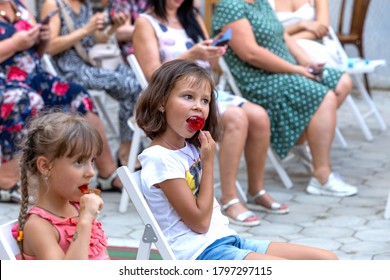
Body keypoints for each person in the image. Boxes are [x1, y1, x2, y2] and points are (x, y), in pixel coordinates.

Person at [136, 59, 338, 260]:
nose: (198, 107)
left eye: (205, 100)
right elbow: (199, 223)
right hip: (202, 253)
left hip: (228, 240)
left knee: (327, 260)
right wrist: (207, 163)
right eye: (188, 97)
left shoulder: (189, 147)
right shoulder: (160, 158)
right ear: (161, 102)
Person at [133, 0, 289, 227]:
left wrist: (213, 53)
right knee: (237, 117)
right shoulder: (146, 23)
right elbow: (153, 74)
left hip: (205, 93)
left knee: (259, 115)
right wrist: (191, 54)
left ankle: (256, 189)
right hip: (174, 97)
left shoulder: (192, 17)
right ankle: (230, 198)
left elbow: (212, 66)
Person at [211, 0, 358, 197]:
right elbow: (251, 53)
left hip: (285, 70)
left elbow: (284, 35)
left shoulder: (260, 3)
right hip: (260, 79)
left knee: (342, 82)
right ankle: (321, 176)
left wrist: (307, 63)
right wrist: (297, 70)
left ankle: (299, 138)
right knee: (325, 97)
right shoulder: (230, 6)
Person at [0, 0, 121, 203]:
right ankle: (7, 178)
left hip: (32, 76)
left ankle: (107, 172)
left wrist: (42, 41)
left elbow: (34, 54)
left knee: (77, 95)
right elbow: (17, 47)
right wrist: (15, 43)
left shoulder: (18, 5)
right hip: (5, 80)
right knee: (26, 99)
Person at [40, 0, 142, 167]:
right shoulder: (53, 4)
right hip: (68, 71)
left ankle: (129, 147)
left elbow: (95, 41)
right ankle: (126, 150)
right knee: (130, 85)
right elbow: (49, 46)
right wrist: (86, 29)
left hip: (90, 65)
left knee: (135, 80)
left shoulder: (84, 6)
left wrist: (114, 27)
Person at [12, 111, 109, 260]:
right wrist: (85, 221)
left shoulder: (78, 208)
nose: (91, 172)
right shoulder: (38, 226)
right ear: (45, 166)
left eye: (92, 161)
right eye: (79, 162)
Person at [270, 0, 342, 67]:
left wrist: (287, 41)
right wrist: (300, 25)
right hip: (282, 49)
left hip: (316, 44)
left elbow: (323, 28)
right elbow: (270, 32)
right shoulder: (264, 2)